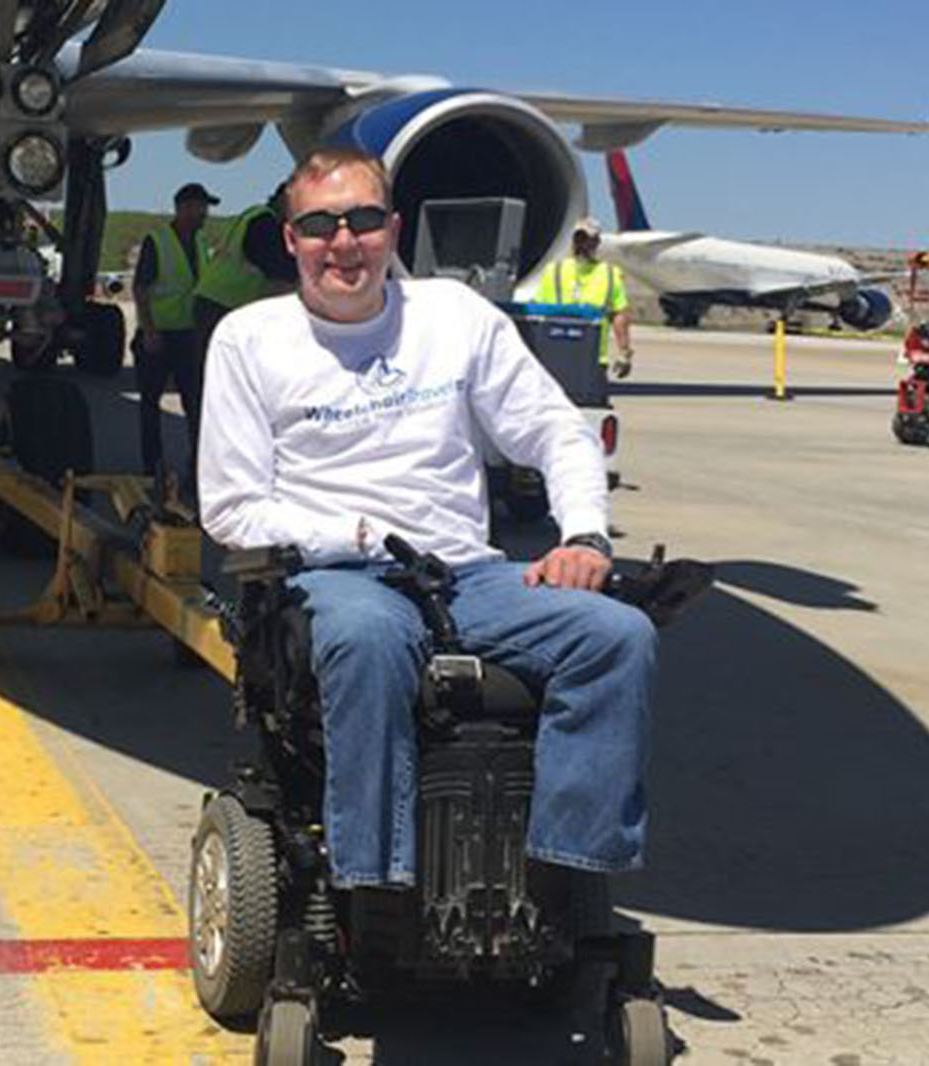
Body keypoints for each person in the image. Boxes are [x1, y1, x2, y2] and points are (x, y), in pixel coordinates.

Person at [200, 148, 657, 889]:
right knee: (368, 637)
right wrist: (349, 535)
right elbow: (231, 508)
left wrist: (583, 535)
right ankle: (376, 882)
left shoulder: (454, 316)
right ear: (291, 240)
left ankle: (561, 875)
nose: (343, 242)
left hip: (464, 572)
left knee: (617, 637)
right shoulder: (250, 340)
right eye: (318, 225)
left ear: (394, 228)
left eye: (364, 220)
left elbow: (556, 430)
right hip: (338, 576)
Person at [132, 181, 216, 488]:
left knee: (195, 405)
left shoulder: (202, 243)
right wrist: (149, 330)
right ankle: (151, 467)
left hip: (188, 336)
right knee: (150, 405)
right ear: (183, 208)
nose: (205, 213)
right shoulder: (158, 241)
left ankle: (197, 468)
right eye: (201, 207)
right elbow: (140, 288)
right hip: (160, 334)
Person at [193, 181, 298, 360]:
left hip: (214, 300)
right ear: (285, 200)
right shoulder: (265, 224)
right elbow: (278, 271)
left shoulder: (253, 215)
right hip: (224, 304)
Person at [535, 216, 635, 379]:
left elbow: (619, 315)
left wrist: (625, 352)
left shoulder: (610, 274)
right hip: (555, 355)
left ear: (597, 242)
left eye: (586, 239)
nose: (582, 244)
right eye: (579, 238)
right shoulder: (553, 271)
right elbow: (536, 313)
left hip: (592, 359)